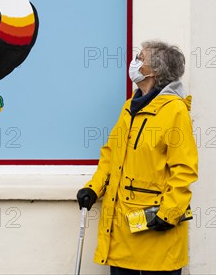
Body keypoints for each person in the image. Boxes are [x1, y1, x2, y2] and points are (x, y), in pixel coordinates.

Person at [77, 40, 198, 275]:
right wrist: (93, 188)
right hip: (123, 231)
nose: (134, 62)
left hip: (156, 230)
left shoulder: (174, 111)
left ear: (154, 71)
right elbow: (111, 154)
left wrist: (168, 214)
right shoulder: (129, 107)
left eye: (141, 58)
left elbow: (184, 169)